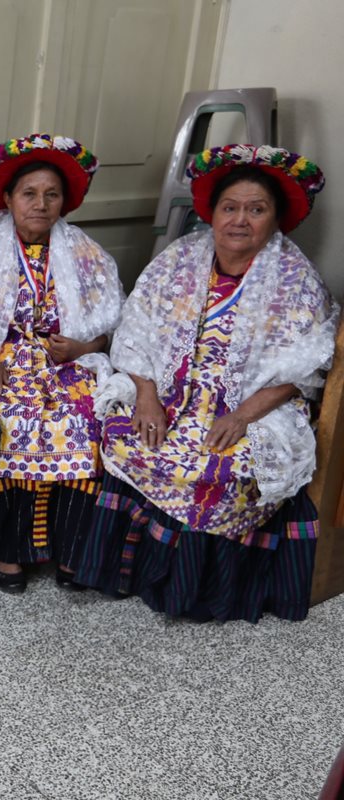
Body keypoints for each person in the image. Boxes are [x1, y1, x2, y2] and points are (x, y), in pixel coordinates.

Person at [74, 144, 337, 622]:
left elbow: (303, 374)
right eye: (229, 207)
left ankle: (192, 593)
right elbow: (137, 331)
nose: (240, 220)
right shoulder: (180, 261)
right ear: (211, 213)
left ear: (275, 218)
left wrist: (239, 417)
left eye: (256, 210)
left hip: (250, 406)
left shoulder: (294, 280)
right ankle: (129, 571)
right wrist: (148, 396)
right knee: (128, 437)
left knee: (217, 470)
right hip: (175, 395)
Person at [0, 134, 124, 593]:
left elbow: (115, 322)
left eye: (51, 195)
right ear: (7, 198)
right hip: (0, 358)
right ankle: (8, 549)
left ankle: (70, 551)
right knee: (11, 418)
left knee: (84, 421)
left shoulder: (86, 252)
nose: (40, 205)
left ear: (65, 201)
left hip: (66, 361)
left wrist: (85, 350)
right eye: (28, 194)